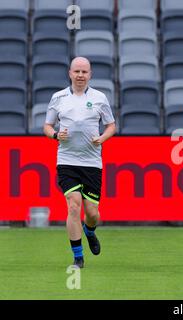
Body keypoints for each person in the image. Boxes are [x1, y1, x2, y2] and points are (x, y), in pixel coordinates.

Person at [43, 57, 116, 268]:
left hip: (92, 162)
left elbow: (111, 125)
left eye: (84, 72)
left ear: (90, 74)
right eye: (77, 71)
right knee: (73, 207)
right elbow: (47, 126)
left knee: (92, 213)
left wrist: (102, 137)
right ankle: (78, 257)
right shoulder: (58, 98)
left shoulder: (100, 98)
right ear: (70, 73)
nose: (80, 75)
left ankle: (90, 230)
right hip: (67, 161)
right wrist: (56, 135)